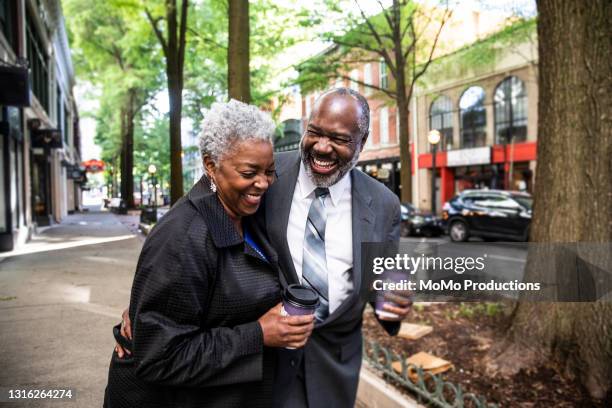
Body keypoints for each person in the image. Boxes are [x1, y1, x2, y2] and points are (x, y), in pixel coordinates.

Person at [103, 100, 314, 408]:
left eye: (269, 171)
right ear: (211, 165)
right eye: (249, 172)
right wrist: (257, 335)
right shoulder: (182, 236)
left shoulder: (246, 212)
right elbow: (160, 356)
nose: (263, 183)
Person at [264, 88, 410, 407]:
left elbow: (380, 286)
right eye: (314, 132)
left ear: (362, 141)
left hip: (333, 372)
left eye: (339, 139)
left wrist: (392, 301)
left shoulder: (384, 205)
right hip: (264, 365)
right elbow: (204, 222)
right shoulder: (267, 174)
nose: (322, 147)